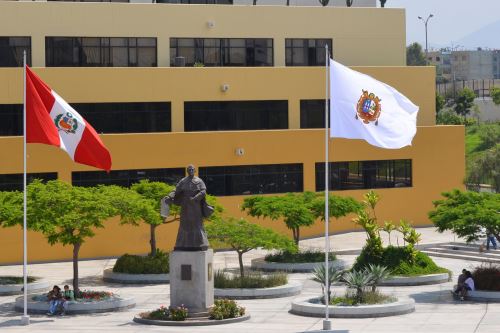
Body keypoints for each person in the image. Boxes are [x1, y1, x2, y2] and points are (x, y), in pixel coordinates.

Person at [162, 164, 213, 251]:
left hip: (195, 206)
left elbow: (203, 191)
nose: (191, 171)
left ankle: (201, 243)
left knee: (197, 224)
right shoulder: (183, 181)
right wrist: (169, 196)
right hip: (185, 205)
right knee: (184, 224)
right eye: (189, 170)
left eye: (192, 169)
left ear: (195, 170)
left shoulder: (199, 181)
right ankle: (182, 244)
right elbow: (176, 190)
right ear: (187, 171)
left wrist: (195, 198)